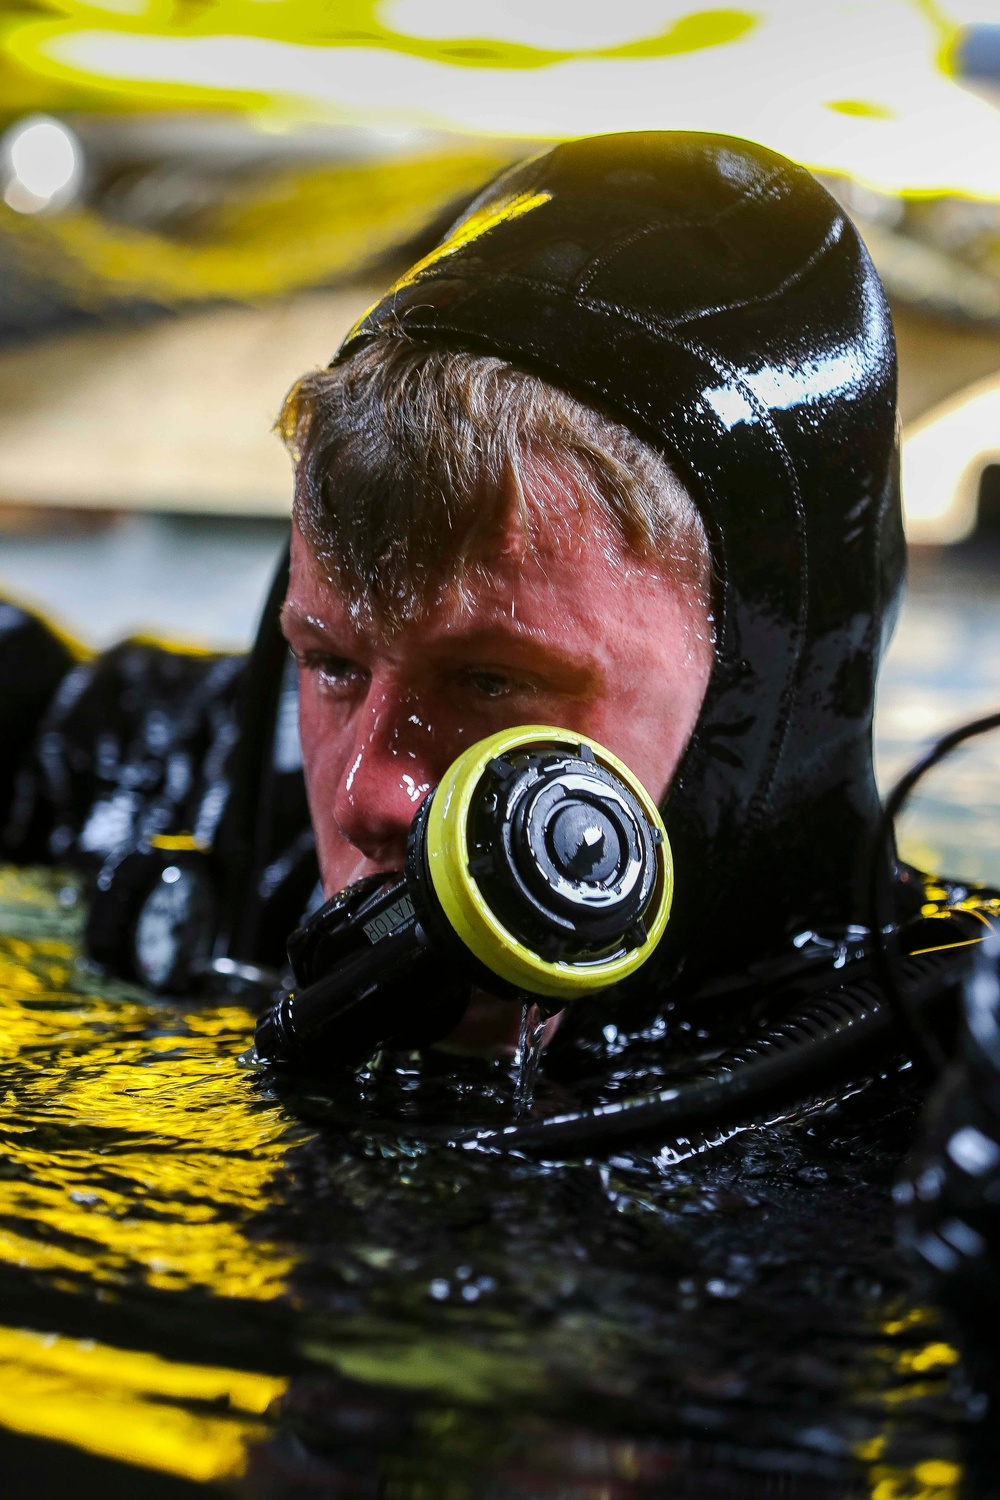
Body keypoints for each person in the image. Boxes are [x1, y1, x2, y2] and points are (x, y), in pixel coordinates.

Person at [1, 131, 994, 1075]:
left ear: (766, 700)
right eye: (334, 665)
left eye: (491, 681)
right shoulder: (223, 791)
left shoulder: (933, 1079)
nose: (364, 798)